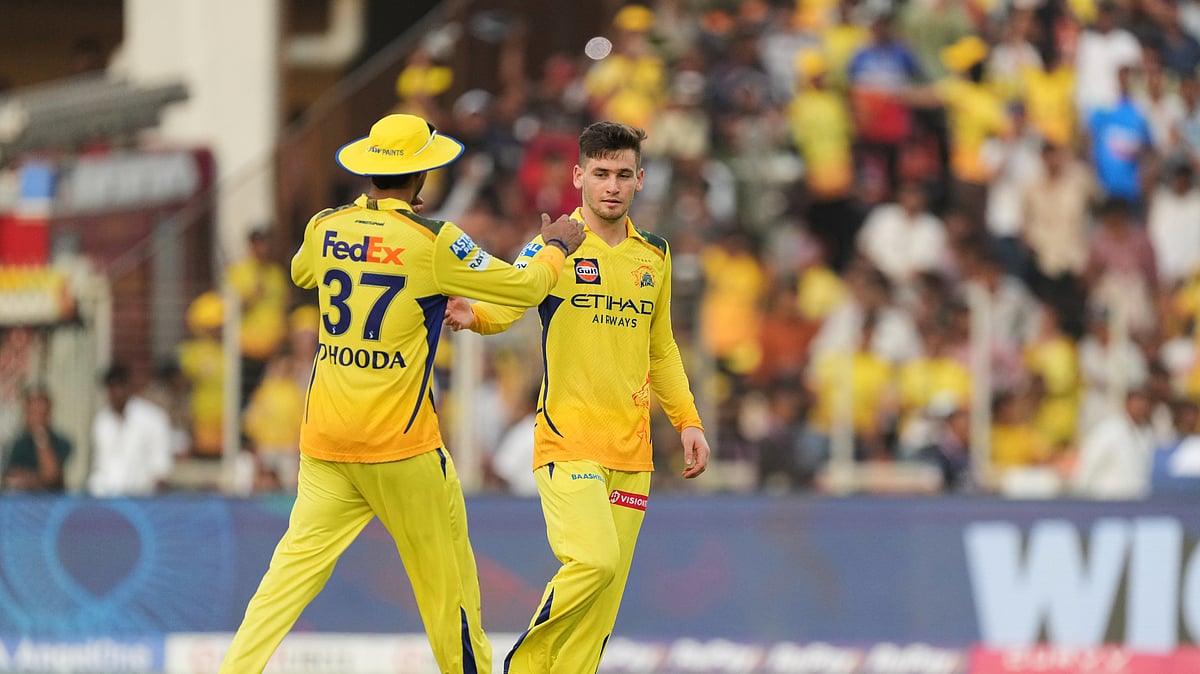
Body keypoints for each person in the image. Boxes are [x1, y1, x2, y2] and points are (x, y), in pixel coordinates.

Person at [218, 113, 585, 674]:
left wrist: (360, 230)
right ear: (423, 176)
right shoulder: (433, 241)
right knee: (446, 590)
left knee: (282, 585)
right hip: (401, 449)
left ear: (370, 171)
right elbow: (525, 286)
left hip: (327, 443)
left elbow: (300, 274)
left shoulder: (325, 225)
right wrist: (553, 246)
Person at [444, 121, 711, 674]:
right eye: (600, 173)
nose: (611, 186)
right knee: (594, 560)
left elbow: (661, 348)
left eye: (622, 175)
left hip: (632, 454)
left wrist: (688, 421)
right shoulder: (556, 244)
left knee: (602, 605)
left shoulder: (654, 254)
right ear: (578, 176)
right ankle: (525, 665)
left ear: (639, 180)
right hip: (568, 443)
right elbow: (513, 295)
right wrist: (477, 315)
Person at [88, 364, 173, 497]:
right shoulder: (101, 421)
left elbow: (161, 468)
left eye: (117, 387)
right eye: (110, 388)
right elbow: (101, 465)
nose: (114, 394)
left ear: (128, 387)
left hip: (142, 499)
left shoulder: (153, 419)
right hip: (105, 499)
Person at [2, 388, 72, 492]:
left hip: (51, 499)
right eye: (32, 411)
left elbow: (51, 476)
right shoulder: (16, 443)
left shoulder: (62, 442)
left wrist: (40, 435)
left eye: (40, 412)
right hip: (20, 500)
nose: (36, 417)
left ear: (49, 413)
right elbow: (11, 478)